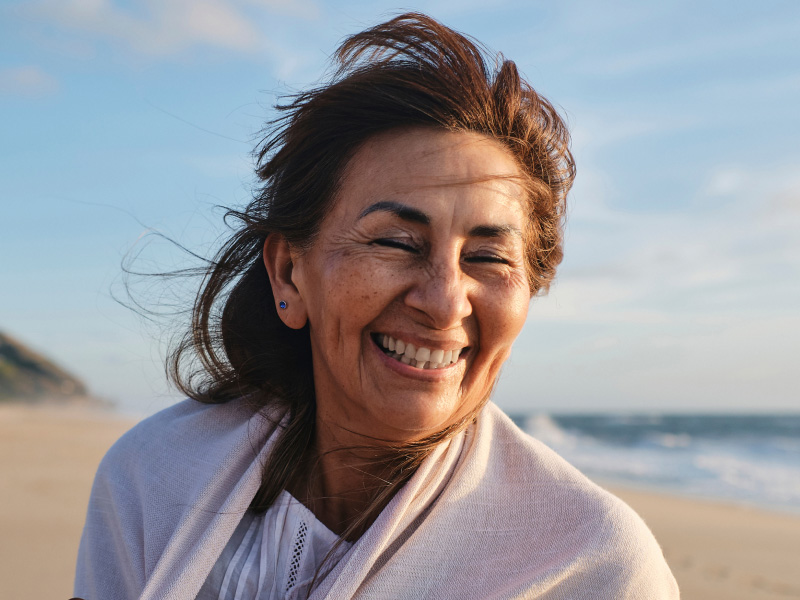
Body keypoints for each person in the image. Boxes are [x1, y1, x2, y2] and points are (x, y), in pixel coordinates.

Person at [74, 13, 679, 600]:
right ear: (289, 272)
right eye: (394, 242)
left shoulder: (590, 566)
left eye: (489, 258)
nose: (444, 303)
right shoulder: (153, 479)